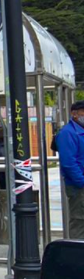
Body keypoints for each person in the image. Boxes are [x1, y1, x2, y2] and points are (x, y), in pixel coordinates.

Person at [56, 101, 84, 239]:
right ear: (74, 114)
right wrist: (81, 182)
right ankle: (77, 256)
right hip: (79, 186)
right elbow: (68, 163)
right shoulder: (68, 133)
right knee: (80, 222)